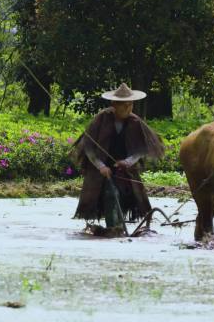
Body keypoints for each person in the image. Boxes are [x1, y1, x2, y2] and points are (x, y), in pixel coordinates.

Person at [71, 83, 165, 237]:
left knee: (124, 195)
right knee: (110, 193)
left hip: (125, 170)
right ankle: (113, 229)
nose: (128, 109)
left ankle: (119, 228)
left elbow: (142, 149)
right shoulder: (101, 119)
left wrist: (127, 162)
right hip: (101, 170)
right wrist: (101, 166)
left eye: (131, 105)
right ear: (114, 105)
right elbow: (88, 147)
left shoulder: (135, 122)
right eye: (124, 106)